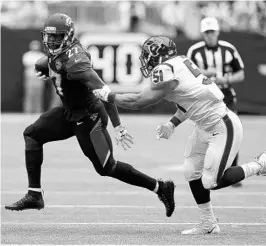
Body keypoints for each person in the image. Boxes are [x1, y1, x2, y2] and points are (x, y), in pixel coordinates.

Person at [5, 13, 176, 218]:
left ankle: (161, 187)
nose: (51, 41)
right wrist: (45, 65)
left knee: (107, 168)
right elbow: (54, 60)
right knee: (32, 134)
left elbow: (105, 94)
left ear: (67, 37)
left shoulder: (77, 64)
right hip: (68, 111)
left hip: (89, 117)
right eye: (48, 37)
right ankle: (34, 195)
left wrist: (118, 126)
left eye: (56, 37)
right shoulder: (62, 52)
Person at [93, 35, 266, 234]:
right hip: (204, 125)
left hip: (223, 125)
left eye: (149, 56)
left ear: (159, 56)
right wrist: (172, 124)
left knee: (211, 181)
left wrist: (109, 96)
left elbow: (140, 101)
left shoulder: (165, 69)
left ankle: (259, 164)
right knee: (191, 172)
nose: (146, 60)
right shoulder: (179, 63)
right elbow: (192, 101)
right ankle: (208, 223)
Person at [186, 17, 245, 187]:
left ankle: (232, 173)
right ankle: (206, 170)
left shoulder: (228, 49)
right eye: (207, 32)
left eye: (212, 32)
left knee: (232, 132)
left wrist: (224, 78)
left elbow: (241, 74)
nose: (210, 35)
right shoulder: (195, 51)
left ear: (218, 32)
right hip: (205, 98)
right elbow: (188, 73)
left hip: (226, 95)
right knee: (205, 133)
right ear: (203, 34)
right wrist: (205, 73)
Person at [22, 40, 45, 113]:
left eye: (37, 45)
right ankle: (28, 111)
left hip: (39, 77)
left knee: (39, 94)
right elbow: (27, 64)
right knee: (29, 94)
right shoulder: (27, 55)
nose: (35, 47)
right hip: (30, 77)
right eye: (34, 45)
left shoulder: (41, 55)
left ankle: (38, 110)